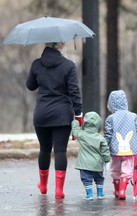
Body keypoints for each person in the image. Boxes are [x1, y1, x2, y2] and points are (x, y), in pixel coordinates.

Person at [26, 42, 83, 199]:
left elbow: (30, 86)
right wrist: (78, 114)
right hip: (62, 114)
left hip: (42, 113)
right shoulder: (68, 66)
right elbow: (74, 91)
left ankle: (43, 186)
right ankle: (59, 190)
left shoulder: (37, 64)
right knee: (60, 151)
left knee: (44, 149)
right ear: (61, 45)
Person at [104, 90, 137, 200]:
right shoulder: (133, 116)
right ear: (125, 102)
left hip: (115, 150)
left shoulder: (111, 118)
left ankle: (117, 190)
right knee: (127, 170)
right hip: (130, 151)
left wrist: (104, 147)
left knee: (115, 169)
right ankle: (123, 191)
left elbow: (108, 135)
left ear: (111, 104)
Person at [71, 111, 111, 200]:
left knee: (86, 179)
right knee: (99, 178)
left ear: (85, 123)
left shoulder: (82, 134)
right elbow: (105, 150)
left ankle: (89, 194)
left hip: (84, 164)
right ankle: (100, 193)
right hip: (97, 164)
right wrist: (107, 160)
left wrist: (75, 121)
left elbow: (75, 131)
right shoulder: (101, 138)